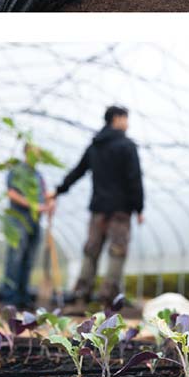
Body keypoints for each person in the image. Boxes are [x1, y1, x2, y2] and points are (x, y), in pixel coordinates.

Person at [53, 106, 144, 305]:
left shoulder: (95, 146)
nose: (127, 124)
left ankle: (81, 294)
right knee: (117, 252)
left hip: (98, 209)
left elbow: (78, 171)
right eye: (126, 119)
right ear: (117, 119)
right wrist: (139, 207)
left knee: (91, 251)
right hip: (120, 210)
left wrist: (59, 189)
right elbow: (134, 178)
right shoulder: (126, 146)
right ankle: (108, 297)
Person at [0, 144, 54, 309]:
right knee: (15, 257)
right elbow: (11, 193)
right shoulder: (17, 171)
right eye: (34, 153)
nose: (37, 156)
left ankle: (23, 297)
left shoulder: (38, 175)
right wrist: (33, 205)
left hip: (34, 222)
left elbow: (43, 195)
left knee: (28, 258)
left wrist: (50, 202)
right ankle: (9, 298)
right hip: (18, 219)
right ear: (26, 153)